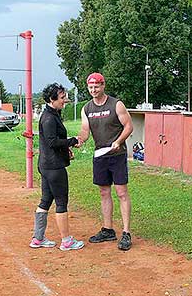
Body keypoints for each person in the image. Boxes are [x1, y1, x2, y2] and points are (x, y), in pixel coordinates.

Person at [78, 72, 134, 251]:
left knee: (121, 192)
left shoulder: (116, 104)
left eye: (97, 86)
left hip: (117, 154)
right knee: (104, 192)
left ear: (103, 86)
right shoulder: (86, 108)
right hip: (100, 155)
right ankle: (108, 229)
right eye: (91, 87)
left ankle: (126, 232)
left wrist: (119, 141)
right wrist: (77, 141)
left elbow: (129, 126)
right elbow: (85, 131)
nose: (94, 90)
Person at [30, 83, 84, 251]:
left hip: (47, 165)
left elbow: (51, 141)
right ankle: (66, 241)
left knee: (46, 200)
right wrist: (72, 141)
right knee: (61, 202)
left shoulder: (52, 114)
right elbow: (52, 142)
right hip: (53, 167)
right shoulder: (48, 118)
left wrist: (66, 148)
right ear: (52, 99)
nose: (64, 101)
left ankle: (38, 239)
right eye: (61, 98)